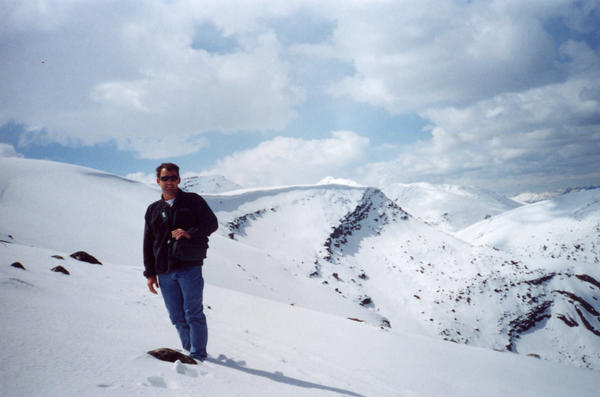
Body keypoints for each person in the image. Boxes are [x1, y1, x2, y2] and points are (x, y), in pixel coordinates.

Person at [143, 162, 218, 361]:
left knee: (193, 313)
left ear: (179, 179)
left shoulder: (193, 201)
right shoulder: (153, 210)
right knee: (176, 316)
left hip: (189, 267)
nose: (169, 182)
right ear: (158, 181)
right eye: (165, 178)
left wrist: (189, 232)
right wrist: (150, 273)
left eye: (173, 178)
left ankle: (198, 356)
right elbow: (148, 242)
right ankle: (188, 351)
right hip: (164, 270)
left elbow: (212, 223)